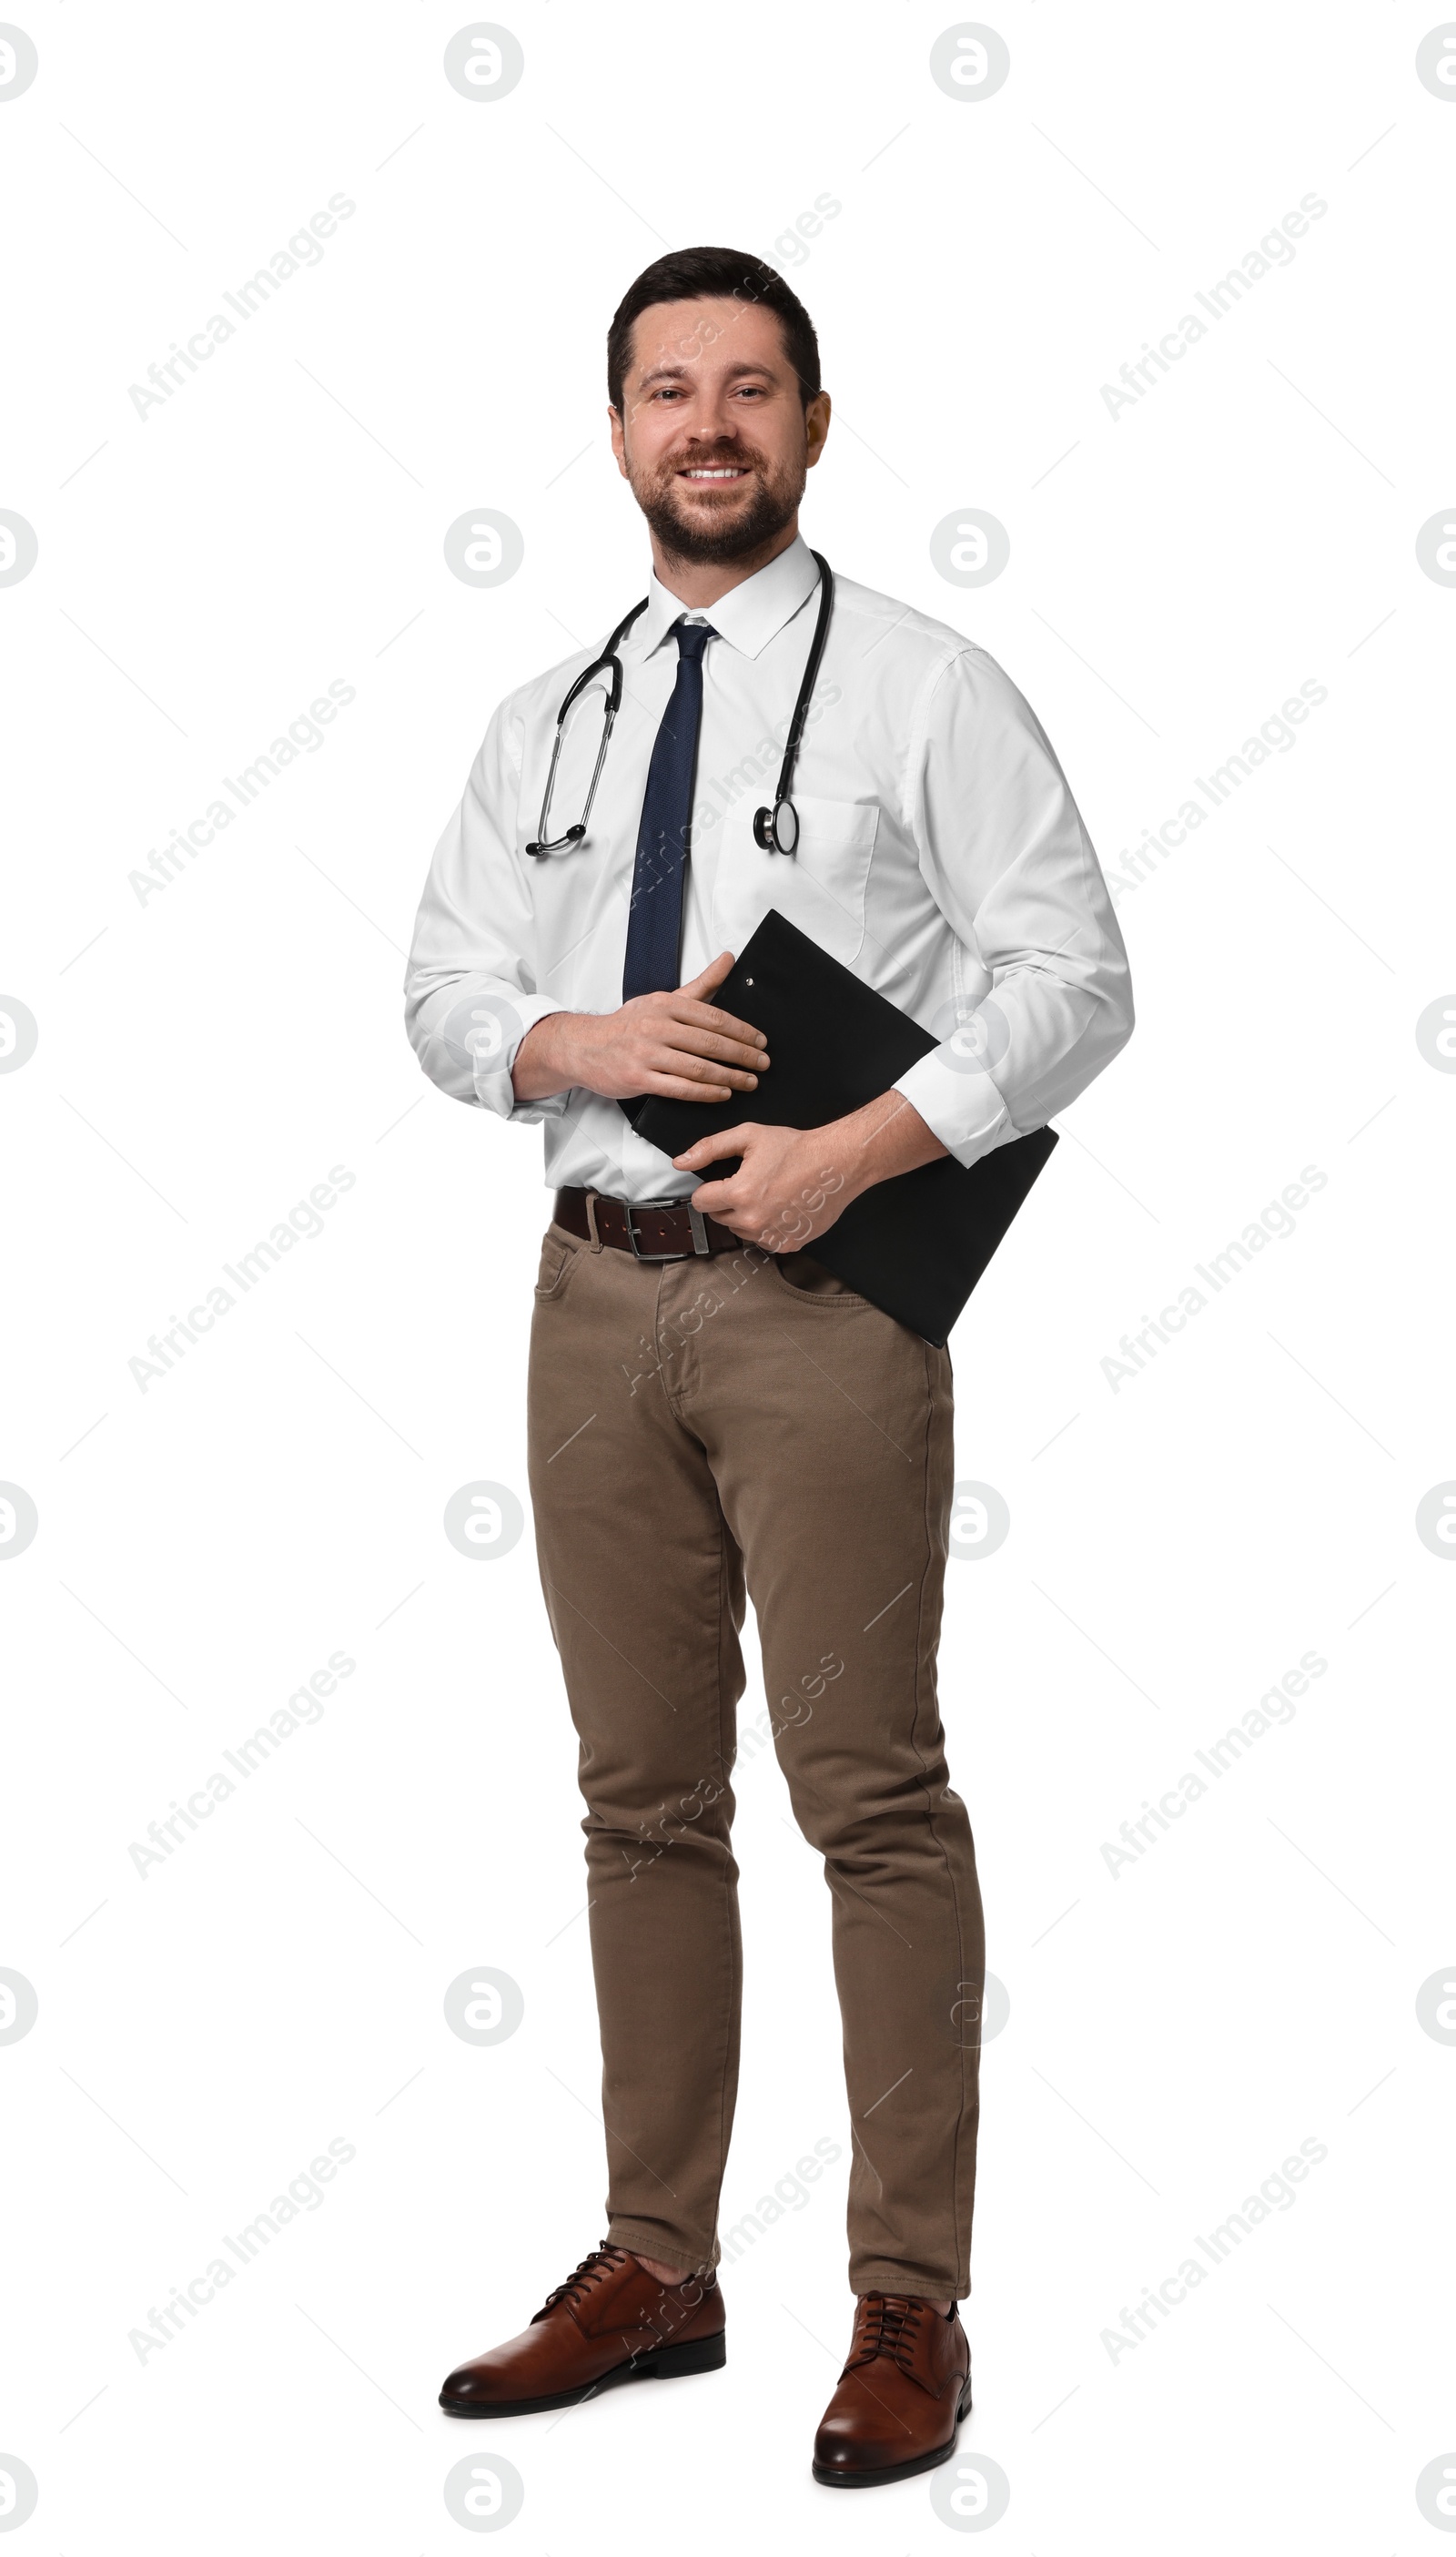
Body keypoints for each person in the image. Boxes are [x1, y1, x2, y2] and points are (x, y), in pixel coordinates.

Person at [404, 245, 1133, 2488]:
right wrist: (563, 1038)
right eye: (662, 390)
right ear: (615, 430)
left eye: (746, 389)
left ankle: (907, 2304)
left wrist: (859, 1149)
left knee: (868, 1799)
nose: (703, 424)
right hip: (587, 1298)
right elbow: (438, 989)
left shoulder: (925, 685)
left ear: (813, 424)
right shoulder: (551, 717)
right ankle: (658, 2263)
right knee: (637, 1802)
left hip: (821, 1310)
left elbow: (1077, 976)